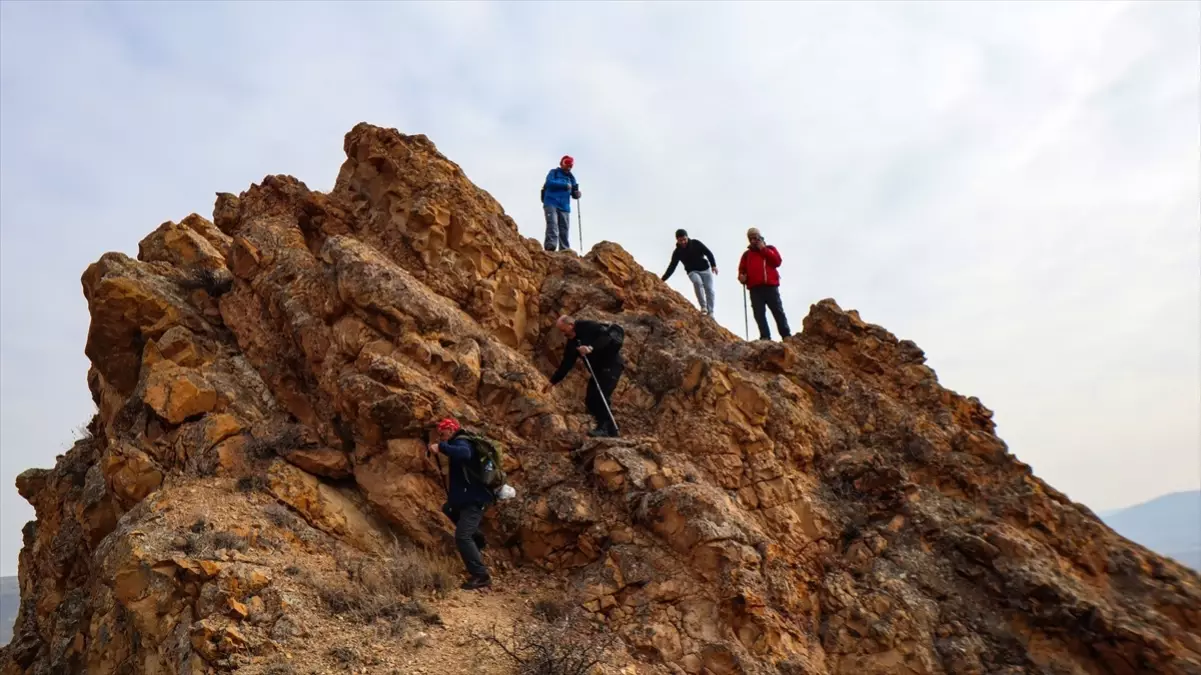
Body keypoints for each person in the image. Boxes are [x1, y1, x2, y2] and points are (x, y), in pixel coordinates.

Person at [428, 417, 494, 590]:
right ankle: (478, 539)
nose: (441, 437)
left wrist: (441, 447)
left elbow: (464, 453)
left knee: (462, 536)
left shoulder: (462, 442)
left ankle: (481, 575)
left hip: (474, 500)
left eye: (442, 433)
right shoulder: (458, 441)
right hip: (465, 500)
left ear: (451, 430)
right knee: (448, 508)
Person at [542, 315, 624, 438]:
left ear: (571, 325)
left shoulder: (588, 326)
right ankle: (609, 429)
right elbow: (566, 363)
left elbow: (606, 337)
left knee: (600, 396)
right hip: (598, 371)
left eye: (563, 330)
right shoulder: (572, 342)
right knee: (590, 399)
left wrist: (590, 348)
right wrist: (553, 382)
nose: (563, 333)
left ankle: (605, 428)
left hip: (611, 366)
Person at [737, 227, 791, 341]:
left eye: (755, 237)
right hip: (755, 288)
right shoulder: (747, 255)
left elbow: (777, 262)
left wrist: (763, 249)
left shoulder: (770, 248)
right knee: (759, 314)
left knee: (777, 311)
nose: (753, 240)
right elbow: (742, 270)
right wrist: (742, 277)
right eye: (750, 238)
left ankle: (786, 335)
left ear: (760, 237)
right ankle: (765, 336)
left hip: (770, 285)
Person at [661, 228, 718, 316]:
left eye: (684, 239)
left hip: (705, 269)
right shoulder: (677, 252)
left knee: (709, 290)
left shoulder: (696, 243)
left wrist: (713, 265)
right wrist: (663, 279)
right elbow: (672, 266)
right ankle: (703, 307)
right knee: (697, 282)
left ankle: (711, 312)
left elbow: (708, 252)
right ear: (677, 240)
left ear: (687, 237)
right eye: (681, 240)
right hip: (692, 271)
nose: (683, 242)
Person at [541, 155, 580, 252]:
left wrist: (577, 194)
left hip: (564, 206)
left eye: (571, 165)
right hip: (551, 202)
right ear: (562, 163)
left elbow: (574, 191)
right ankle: (550, 246)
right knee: (552, 224)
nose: (569, 166)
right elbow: (549, 183)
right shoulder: (553, 172)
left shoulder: (571, 178)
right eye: (567, 163)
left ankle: (564, 249)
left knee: (564, 228)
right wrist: (564, 185)